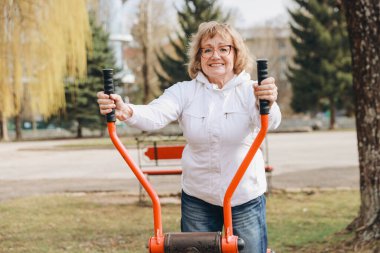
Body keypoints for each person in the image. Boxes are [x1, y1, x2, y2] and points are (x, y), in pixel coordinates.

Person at [97, 21, 281, 253]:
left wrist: (269, 102)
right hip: (199, 197)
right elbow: (156, 114)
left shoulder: (251, 90)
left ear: (236, 53)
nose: (216, 55)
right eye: (207, 49)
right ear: (199, 57)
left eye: (224, 48)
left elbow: (272, 121)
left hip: (244, 196)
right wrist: (127, 110)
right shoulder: (185, 91)